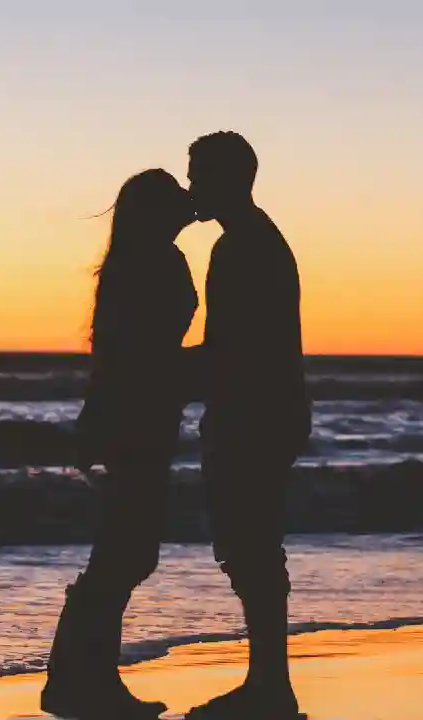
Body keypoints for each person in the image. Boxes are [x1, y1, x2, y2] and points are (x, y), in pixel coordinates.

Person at [41, 168, 198, 719]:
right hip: (139, 418)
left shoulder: (140, 260)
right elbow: (138, 355)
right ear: (156, 210)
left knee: (124, 550)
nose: (189, 200)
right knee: (126, 550)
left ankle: (80, 678)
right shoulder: (151, 262)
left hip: (141, 415)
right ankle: (81, 680)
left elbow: (126, 352)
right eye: (177, 195)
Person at [184, 131, 312, 720]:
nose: (192, 188)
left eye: (199, 175)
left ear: (230, 179)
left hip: (251, 415)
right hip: (267, 411)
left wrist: (157, 371)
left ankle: (269, 686)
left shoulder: (242, 248)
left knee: (249, 547)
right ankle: (268, 682)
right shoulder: (257, 241)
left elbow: (231, 347)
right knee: (253, 547)